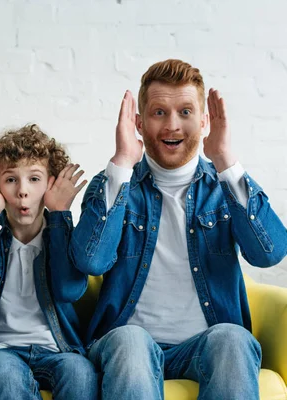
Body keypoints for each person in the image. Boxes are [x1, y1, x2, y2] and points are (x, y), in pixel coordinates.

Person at [71, 59, 287, 399]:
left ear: (203, 122)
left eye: (185, 112)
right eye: (159, 113)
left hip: (206, 345)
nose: (172, 125)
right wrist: (122, 162)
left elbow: (270, 253)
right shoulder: (115, 184)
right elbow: (90, 262)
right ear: (139, 124)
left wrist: (226, 161)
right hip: (128, 344)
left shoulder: (224, 186)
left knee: (232, 338)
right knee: (131, 340)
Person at [0, 124, 99, 400]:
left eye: (35, 179)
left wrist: (60, 213)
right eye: (11, 180)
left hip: (57, 349)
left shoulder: (61, 236)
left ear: (51, 184)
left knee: (80, 373)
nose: (23, 192)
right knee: (6, 378)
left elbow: (69, 291)